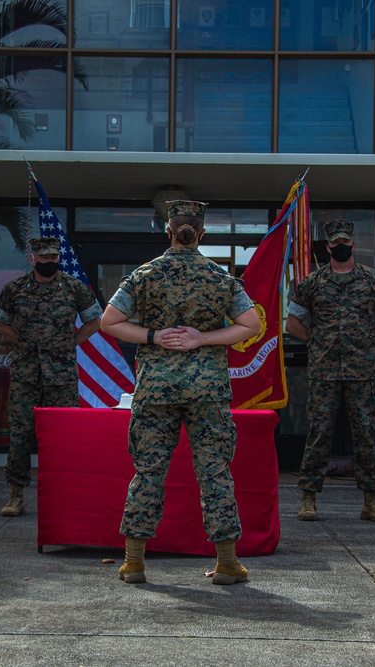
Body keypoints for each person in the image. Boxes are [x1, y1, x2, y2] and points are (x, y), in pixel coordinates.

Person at [100, 200, 261, 586]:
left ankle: (134, 562)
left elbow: (109, 322)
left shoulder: (145, 274)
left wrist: (154, 335)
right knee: (215, 473)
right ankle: (226, 563)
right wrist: (203, 338)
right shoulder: (220, 278)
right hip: (207, 389)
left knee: (149, 471)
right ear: (202, 233)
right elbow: (250, 324)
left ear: (168, 231)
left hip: (156, 388)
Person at [285, 218, 375, 523]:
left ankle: (371, 500)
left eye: (345, 243)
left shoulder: (373, 280)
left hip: (361, 371)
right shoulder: (313, 283)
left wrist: (370, 340)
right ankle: (309, 498)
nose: (341, 247)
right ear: (328, 247)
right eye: (335, 244)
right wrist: (316, 341)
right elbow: (293, 323)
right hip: (323, 371)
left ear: (353, 244)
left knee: (364, 434)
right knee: (319, 433)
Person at [0, 236, 102, 517]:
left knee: (64, 436)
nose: (49, 263)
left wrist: (71, 341)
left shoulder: (73, 287)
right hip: (26, 375)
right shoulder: (15, 289)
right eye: (43, 259)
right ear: (32, 259)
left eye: (53, 258)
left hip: (61, 375)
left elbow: (95, 320)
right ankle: (16, 496)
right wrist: (20, 341)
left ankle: (66, 494)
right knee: (20, 436)